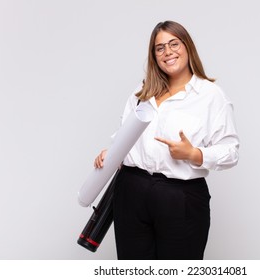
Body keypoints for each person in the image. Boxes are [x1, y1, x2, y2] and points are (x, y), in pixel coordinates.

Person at [94, 20, 240, 260]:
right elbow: (124, 138)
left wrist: (194, 154)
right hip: (131, 190)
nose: (167, 52)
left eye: (174, 44)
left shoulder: (210, 95)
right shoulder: (141, 93)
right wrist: (111, 154)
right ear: (154, 55)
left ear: (187, 47)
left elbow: (231, 151)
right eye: (159, 48)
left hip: (180, 197)